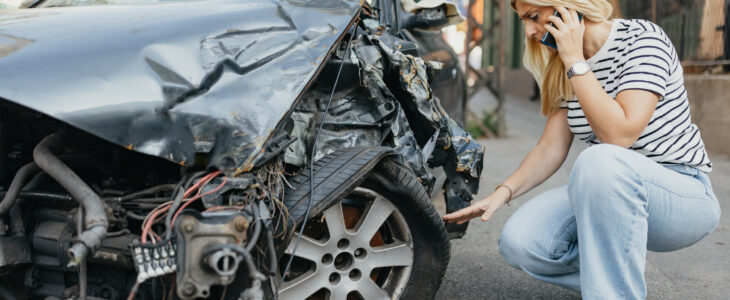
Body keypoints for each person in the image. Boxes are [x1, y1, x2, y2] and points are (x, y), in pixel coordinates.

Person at [442, 0, 721, 299]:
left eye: (534, 17)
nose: (529, 31)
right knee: (521, 241)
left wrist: (576, 61)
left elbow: (619, 135)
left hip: (681, 194)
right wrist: (502, 193)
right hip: (609, 188)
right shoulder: (564, 66)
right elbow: (550, 148)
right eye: (523, 21)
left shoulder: (643, 39)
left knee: (599, 159)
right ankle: (618, 278)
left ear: (566, 5)